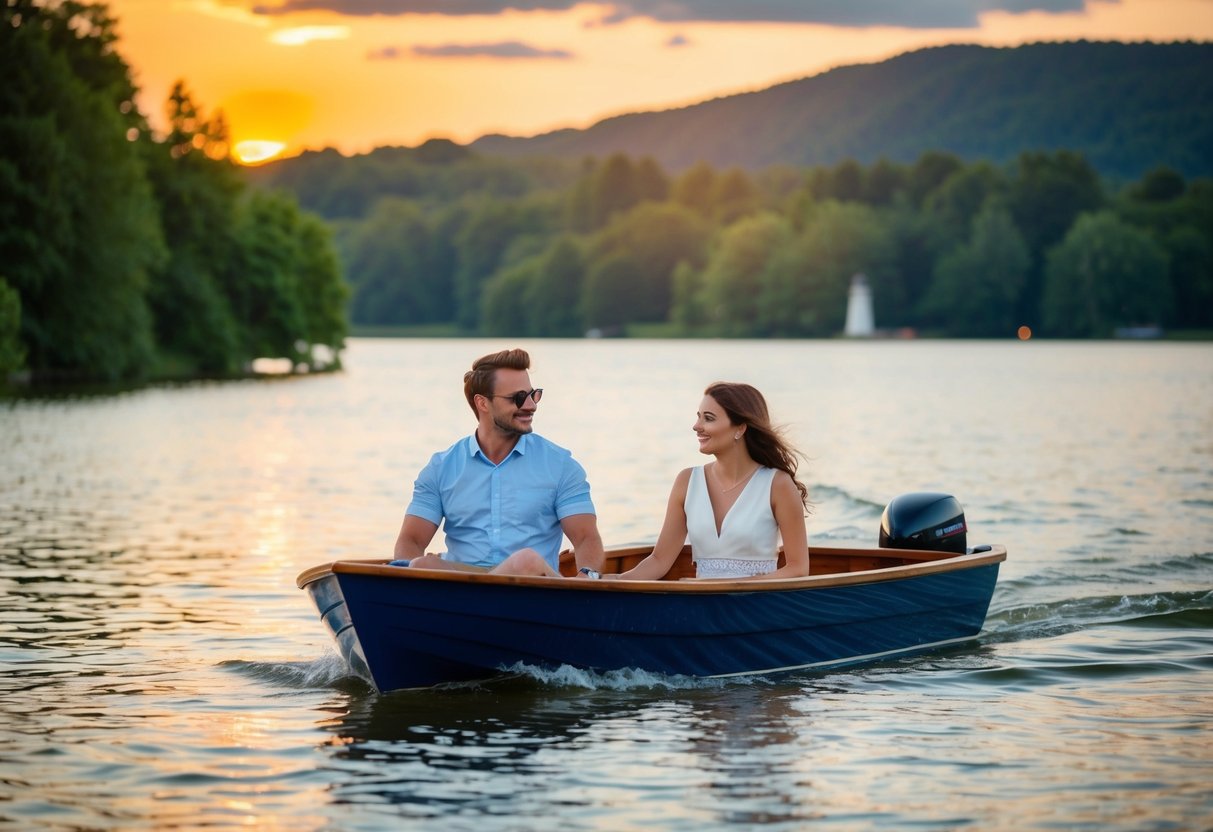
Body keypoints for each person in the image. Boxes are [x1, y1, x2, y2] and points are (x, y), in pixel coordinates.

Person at [392, 348, 605, 578]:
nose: (531, 405)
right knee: (422, 565)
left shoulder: (560, 465)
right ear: (482, 403)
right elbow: (410, 541)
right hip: (462, 589)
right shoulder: (441, 468)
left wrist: (588, 578)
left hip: (532, 587)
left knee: (526, 560)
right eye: (518, 398)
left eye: (534, 395)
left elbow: (586, 539)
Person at [608, 382, 810, 581]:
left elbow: (798, 568)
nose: (696, 426)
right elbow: (659, 560)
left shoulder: (778, 484)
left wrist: (724, 585)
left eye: (708, 418)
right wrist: (614, 580)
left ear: (740, 429)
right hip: (703, 606)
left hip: (757, 606)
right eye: (698, 417)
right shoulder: (686, 481)